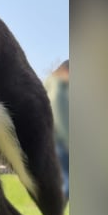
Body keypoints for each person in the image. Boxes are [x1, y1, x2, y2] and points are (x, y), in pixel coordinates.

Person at [43, 60, 69, 201]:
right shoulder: (58, 91)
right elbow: (61, 119)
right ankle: (56, 212)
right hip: (61, 144)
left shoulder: (51, 87)